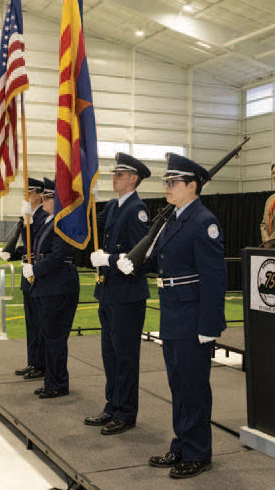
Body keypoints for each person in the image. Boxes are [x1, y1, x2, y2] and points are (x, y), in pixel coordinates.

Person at [118, 153, 226, 480]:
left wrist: (209, 325)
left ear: (193, 186)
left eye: (173, 182)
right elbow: (163, 262)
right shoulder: (174, 218)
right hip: (172, 313)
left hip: (193, 316)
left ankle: (198, 453)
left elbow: (214, 278)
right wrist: (132, 261)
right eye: (166, 181)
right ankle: (181, 445)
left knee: (193, 388)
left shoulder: (203, 221)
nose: (167, 186)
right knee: (178, 386)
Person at [84, 153, 152, 435]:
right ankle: (112, 405)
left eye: (120, 174)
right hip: (109, 293)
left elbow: (142, 254)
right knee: (110, 354)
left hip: (127, 294)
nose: (114, 178)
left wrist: (109, 260)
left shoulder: (137, 210)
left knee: (125, 356)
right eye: (114, 174)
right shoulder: (114, 206)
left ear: (134, 178)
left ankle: (126, 412)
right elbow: (89, 224)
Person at [22, 177, 80, 398]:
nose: (44, 200)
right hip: (48, 285)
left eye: (48, 196)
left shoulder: (63, 222)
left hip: (58, 286)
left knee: (55, 338)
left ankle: (58, 384)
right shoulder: (50, 222)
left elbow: (58, 255)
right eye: (44, 196)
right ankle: (51, 381)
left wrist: (36, 269)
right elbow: (35, 248)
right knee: (48, 337)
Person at [0, 177, 47, 379]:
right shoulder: (28, 216)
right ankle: (33, 362)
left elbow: (40, 248)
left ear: (38, 195)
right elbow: (28, 248)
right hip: (27, 277)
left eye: (28, 193)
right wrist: (14, 253)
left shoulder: (44, 217)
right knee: (31, 324)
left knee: (40, 324)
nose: (25, 197)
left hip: (39, 276)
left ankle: (42, 365)